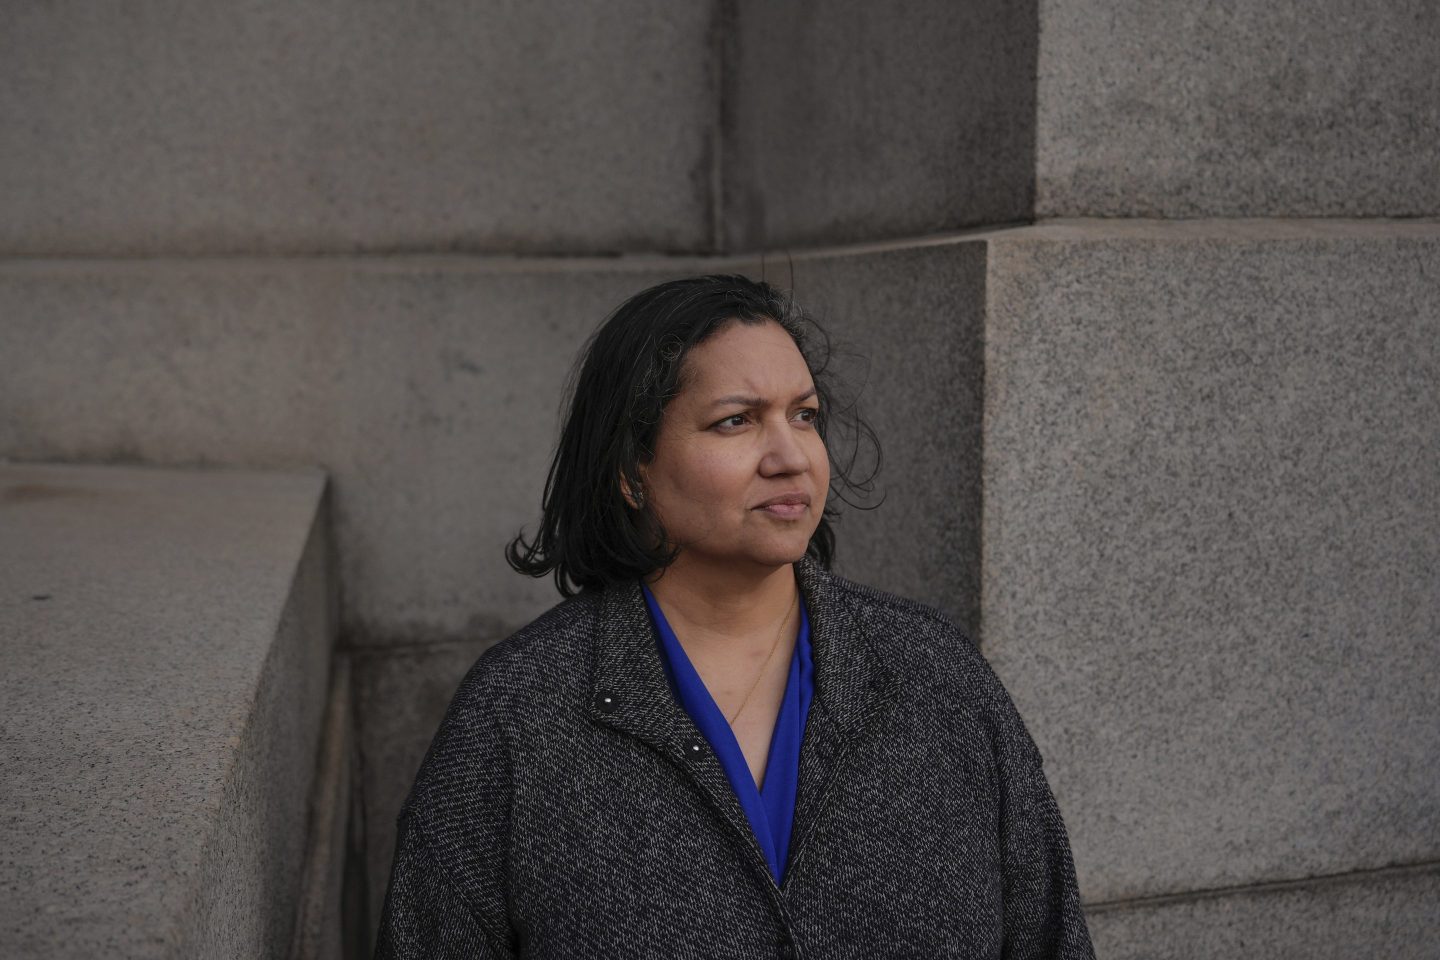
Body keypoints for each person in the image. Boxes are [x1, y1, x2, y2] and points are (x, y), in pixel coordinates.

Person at [373, 275, 1095, 958]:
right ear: (632, 470)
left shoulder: (934, 675)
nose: (791, 457)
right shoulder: (520, 713)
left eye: (804, 417)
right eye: (735, 422)